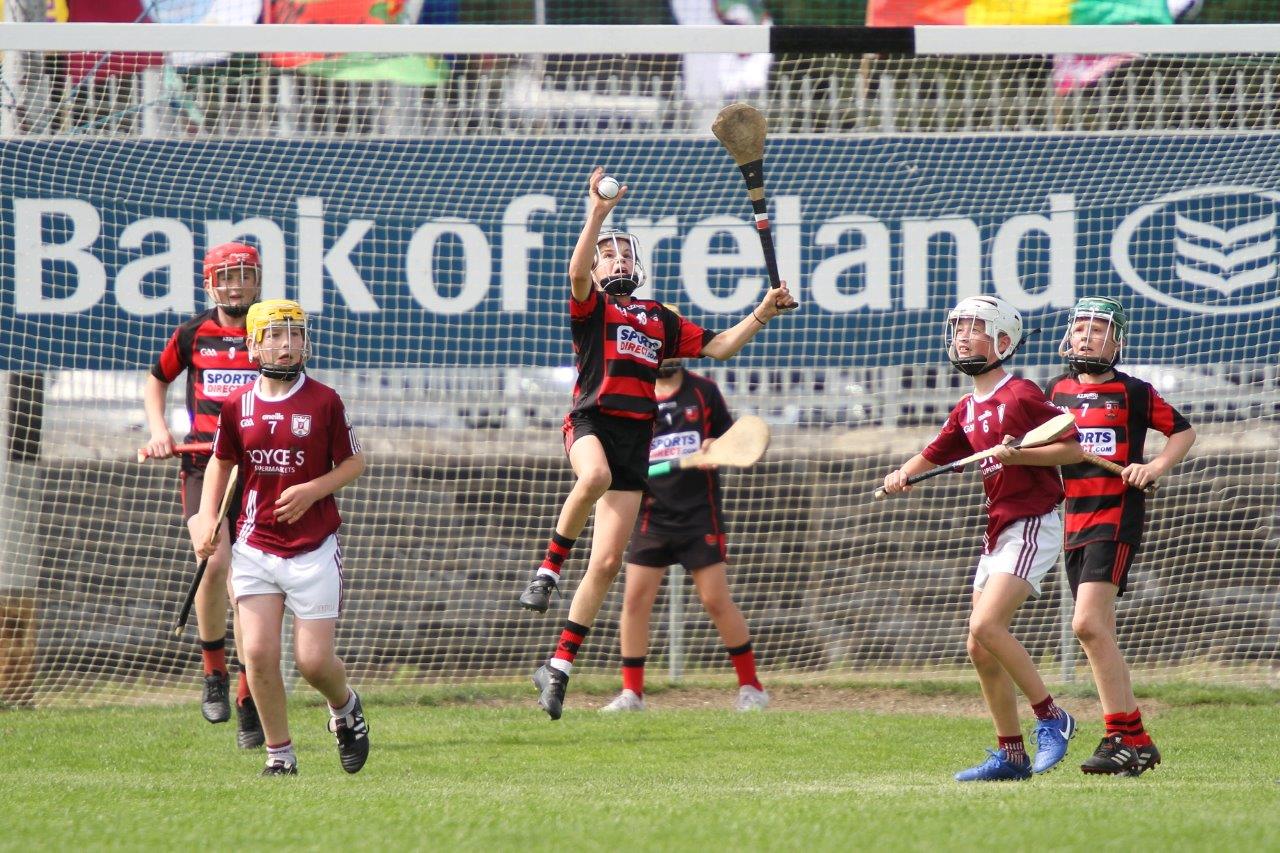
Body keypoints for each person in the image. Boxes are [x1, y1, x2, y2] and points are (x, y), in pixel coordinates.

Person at [519, 166, 796, 720]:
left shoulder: (657, 318)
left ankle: (558, 666)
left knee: (606, 564)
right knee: (592, 479)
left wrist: (762, 312)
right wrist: (596, 216)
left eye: (625, 254)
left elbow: (718, 348)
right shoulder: (593, 307)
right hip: (591, 422)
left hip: (635, 439)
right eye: (608, 255)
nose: (618, 261)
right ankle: (547, 571)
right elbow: (575, 273)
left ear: (638, 266)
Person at [881, 295, 1082, 781]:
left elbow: (1071, 448)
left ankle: (1053, 716)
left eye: (976, 327)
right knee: (978, 645)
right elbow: (936, 451)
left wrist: (1019, 457)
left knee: (988, 627)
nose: (964, 335)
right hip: (998, 527)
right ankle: (1011, 755)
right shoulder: (968, 407)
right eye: (960, 327)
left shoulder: (1022, 394)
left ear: (1004, 342)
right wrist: (901, 474)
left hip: (1033, 519)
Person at [190, 299, 368, 776]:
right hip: (255, 545)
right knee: (259, 652)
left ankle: (345, 708)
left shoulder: (324, 400)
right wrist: (209, 517)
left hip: (313, 548)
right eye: (275, 335)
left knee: (313, 663)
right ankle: (279, 755)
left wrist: (312, 491)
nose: (287, 345)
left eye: (295, 335)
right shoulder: (237, 405)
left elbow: (354, 464)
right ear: (253, 344)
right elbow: (221, 462)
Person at [1046, 297, 1195, 776]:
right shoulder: (1057, 391)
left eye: (1099, 328)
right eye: (1081, 327)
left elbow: (1183, 433)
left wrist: (1153, 467)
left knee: (1086, 624)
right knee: (1098, 632)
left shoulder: (1133, 391)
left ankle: (1117, 734)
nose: (1087, 335)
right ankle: (1137, 742)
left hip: (1116, 517)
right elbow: (1047, 448)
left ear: (1117, 341)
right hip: (1073, 521)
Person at [143, 241, 264, 749]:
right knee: (212, 566)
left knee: (252, 585)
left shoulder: (271, 330)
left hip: (261, 471)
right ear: (208, 283)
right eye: (224, 277)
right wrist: (159, 430)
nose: (234, 285)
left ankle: (248, 694)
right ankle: (213, 669)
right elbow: (156, 380)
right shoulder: (192, 333)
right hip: (203, 465)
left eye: (243, 275)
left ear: (257, 280)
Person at [600, 358, 767, 713]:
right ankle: (632, 695)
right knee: (634, 603)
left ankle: (752, 688)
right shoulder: (636, 398)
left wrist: (712, 448)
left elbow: (730, 441)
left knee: (715, 601)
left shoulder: (704, 391)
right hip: (650, 515)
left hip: (698, 516)